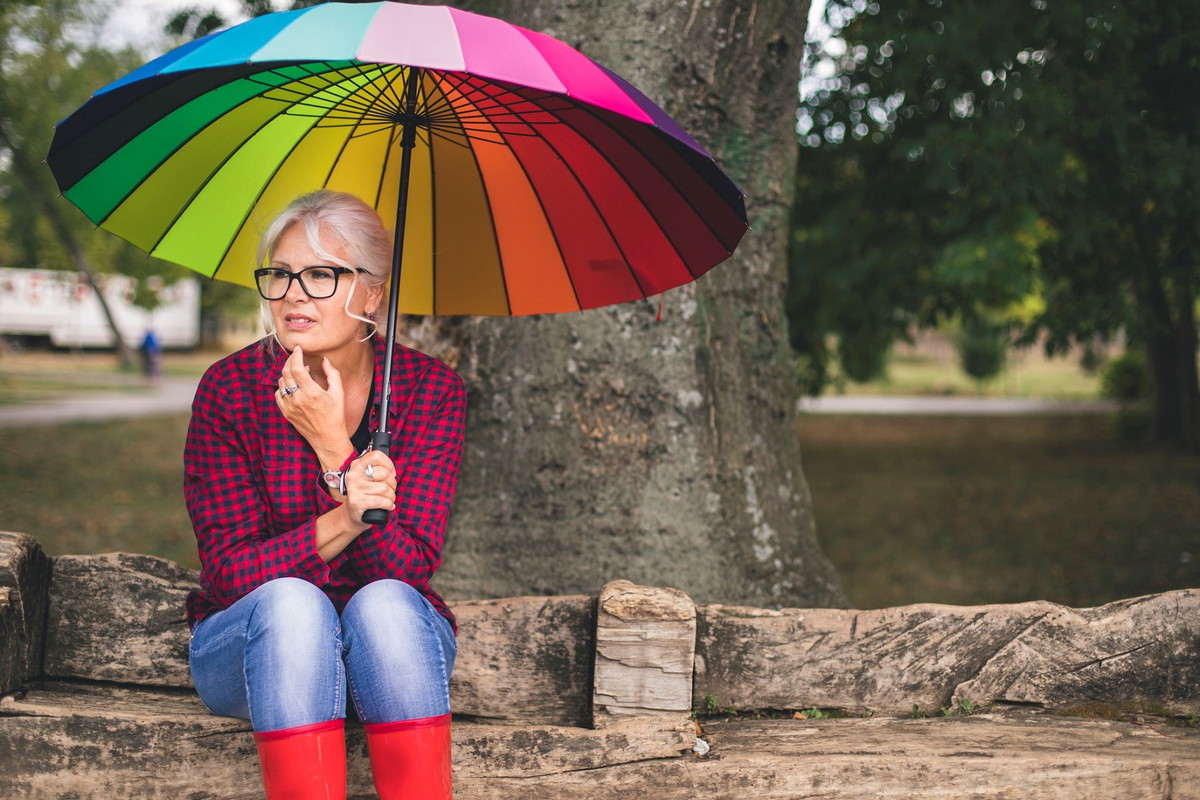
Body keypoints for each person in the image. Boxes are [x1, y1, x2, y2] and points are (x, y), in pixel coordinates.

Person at [183, 190, 466, 800]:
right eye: (280, 275)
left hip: (388, 656)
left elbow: (409, 566)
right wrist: (346, 514)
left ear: (372, 294)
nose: (292, 295)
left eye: (320, 275)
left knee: (387, 602)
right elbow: (232, 576)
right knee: (293, 606)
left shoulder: (430, 392)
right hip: (256, 649)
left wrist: (334, 446)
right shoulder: (230, 391)